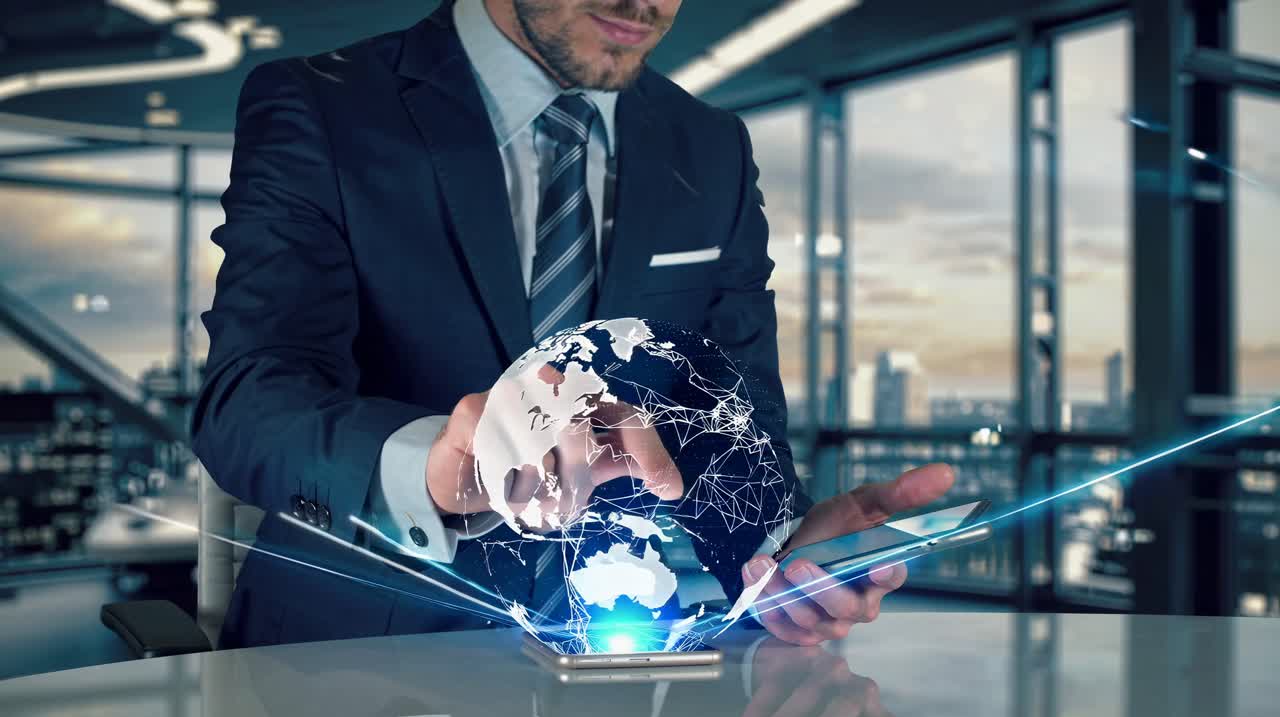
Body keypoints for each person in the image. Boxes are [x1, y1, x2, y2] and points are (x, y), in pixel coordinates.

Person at [193, 0, 955, 650]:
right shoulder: (322, 105)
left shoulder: (711, 146)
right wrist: (440, 466)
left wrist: (779, 554)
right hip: (351, 659)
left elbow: (733, 413)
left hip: (625, 659)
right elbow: (247, 400)